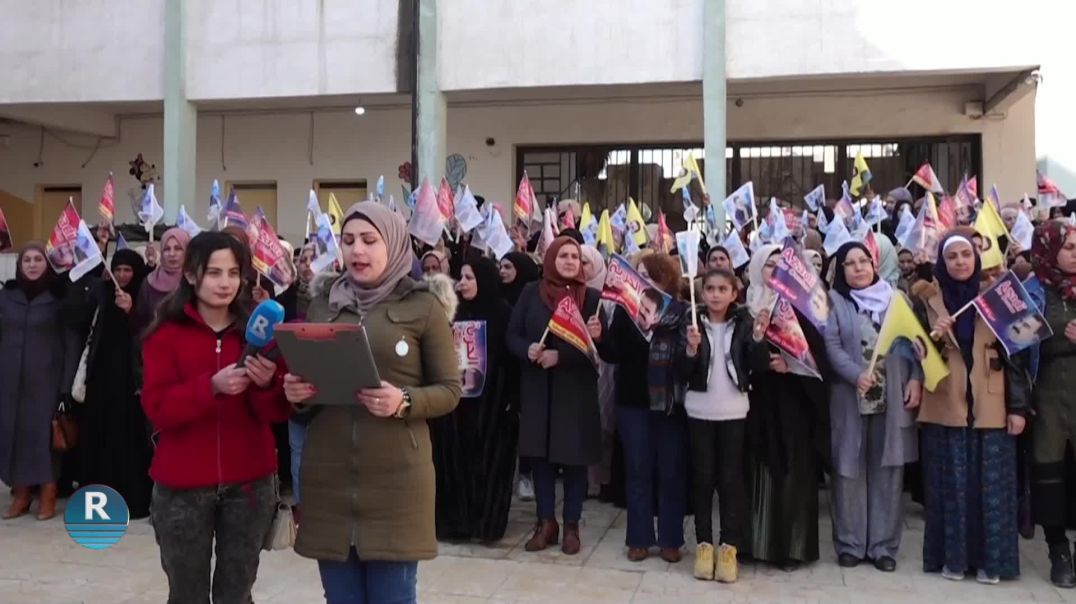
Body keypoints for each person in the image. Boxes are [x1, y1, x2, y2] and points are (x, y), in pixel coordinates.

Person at [286, 202, 461, 604]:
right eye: (348, 241)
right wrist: (297, 395)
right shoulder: (323, 304)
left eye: (369, 240)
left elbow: (450, 390)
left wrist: (403, 401)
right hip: (328, 480)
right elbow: (311, 388)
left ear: (395, 244)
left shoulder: (423, 306)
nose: (357, 251)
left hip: (396, 482)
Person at [141, 232, 289, 603]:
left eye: (234, 273)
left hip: (250, 484)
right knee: (186, 592)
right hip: (182, 487)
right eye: (214, 273)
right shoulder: (164, 335)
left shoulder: (260, 335)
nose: (225, 283)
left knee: (236, 592)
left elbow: (277, 412)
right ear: (191, 275)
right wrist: (211, 387)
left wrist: (267, 383)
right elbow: (158, 407)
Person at [912, 231, 1029, 584]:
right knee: (951, 486)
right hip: (946, 402)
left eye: (966, 255)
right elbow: (913, 349)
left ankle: (992, 563)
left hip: (992, 403)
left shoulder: (1000, 296)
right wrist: (934, 335)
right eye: (952, 257)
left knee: (991, 490)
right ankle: (953, 559)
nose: (960, 262)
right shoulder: (927, 298)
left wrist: (1019, 408)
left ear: (976, 258)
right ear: (942, 263)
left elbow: (1019, 355)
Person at [824, 242, 922, 572]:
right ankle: (850, 543)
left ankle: (883, 546)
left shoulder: (896, 299)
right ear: (841, 271)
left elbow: (914, 343)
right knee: (848, 471)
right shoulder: (835, 302)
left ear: (873, 264)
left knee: (888, 472)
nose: (858, 268)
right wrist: (855, 375)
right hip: (851, 397)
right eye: (849, 263)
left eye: (863, 261)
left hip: (890, 397)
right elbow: (832, 345)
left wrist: (915, 378)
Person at [507, 236, 602, 555]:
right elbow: (512, 335)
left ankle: (571, 524)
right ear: (550, 259)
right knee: (541, 458)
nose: (570, 261)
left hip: (574, 392)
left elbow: (598, 352)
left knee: (573, 460)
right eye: (563, 255)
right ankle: (545, 522)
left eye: (575, 256)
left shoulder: (590, 298)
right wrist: (527, 349)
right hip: (538, 389)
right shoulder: (530, 294)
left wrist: (562, 357)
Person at [597, 253, 689, 563]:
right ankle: (639, 538)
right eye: (636, 275)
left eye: (647, 275)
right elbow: (613, 354)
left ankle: (671, 539)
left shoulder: (680, 313)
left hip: (669, 405)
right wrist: (599, 338)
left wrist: (690, 347)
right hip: (632, 401)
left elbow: (686, 362)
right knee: (637, 471)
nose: (640, 281)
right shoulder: (626, 312)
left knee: (670, 472)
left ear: (664, 279)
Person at [742, 244, 827, 570]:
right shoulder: (744, 309)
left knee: (792, 470)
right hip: (755, 402)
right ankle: (754, 543)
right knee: (755, 469)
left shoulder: (803, 311)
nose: (774, 272)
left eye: (781, 267)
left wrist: (793, 367)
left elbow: (819, 357)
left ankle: (791, 548)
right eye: (769, 266)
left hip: (793, 401)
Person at [430, 257, 517, 542]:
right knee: (456, 461)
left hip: (491, 403)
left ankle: (486, 524)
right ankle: (458, 522)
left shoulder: (502, 312)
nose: (462, 283)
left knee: (488, 463)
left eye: (469, 278)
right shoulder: (451, 312)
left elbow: (510, 358)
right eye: (461, 278)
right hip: (456, 403)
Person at [680, 268, 758, 583]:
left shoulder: (744, 323)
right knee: (702, 479)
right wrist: (690, 349)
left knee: (730, 480)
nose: (714, 294)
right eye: (709, 288)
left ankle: (728, 547)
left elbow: (757, 363)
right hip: (699, 411)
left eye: (722, 289)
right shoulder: (690, 323)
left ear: (733, 293)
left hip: (734, 412)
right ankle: (703, 545)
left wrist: (760, 339)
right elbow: (679, 371)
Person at [0, 243, 80, 520]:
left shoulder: (59, 298)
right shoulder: (7, 297)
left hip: (46, 381)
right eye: (27, 260)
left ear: (47, 265)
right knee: (14, 435)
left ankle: (47, 492)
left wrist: (66, 385)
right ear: (20, 265)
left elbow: (71, 344)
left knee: (45, 438)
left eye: (38, 260)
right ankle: (21, 494)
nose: (32, 265)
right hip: (9, 381)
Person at [79, 248, 154, 519]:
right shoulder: (101, 293)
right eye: (118, 269)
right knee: (98, 437)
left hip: (130, 382)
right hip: (101, 380)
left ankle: (131, 500)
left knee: (128, 440)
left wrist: (132, 311)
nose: (121, 275)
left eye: (127, 270)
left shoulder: (142, 297)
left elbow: (148, 333)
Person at [1029, 221, 1076, 587]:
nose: (1075, 252)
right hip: (1046, 393)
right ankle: (1058, 550)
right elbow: (1013, 345)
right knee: (1050, 474)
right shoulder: (1032, 292)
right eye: (1069, 246)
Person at [496, 250, 541, 500]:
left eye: (508, 267)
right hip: (503, 370)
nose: (502, 271)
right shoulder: (497, 296)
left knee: (526, 426)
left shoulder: (531, 298)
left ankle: (526, 474)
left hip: (525, 369)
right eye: (501, 266)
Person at [581, 244, 617, 500]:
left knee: (607, 421)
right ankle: (587, 478)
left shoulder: (610, 294)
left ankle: (606, 478)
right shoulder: (570, 292)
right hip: (579, 363)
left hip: (606, 363)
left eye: (586, 262)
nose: (581, 268)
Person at [132, 228, 191, 336]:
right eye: (167, 249)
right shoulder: (149, 282)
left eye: (178, 248)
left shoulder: (194, 282)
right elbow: (141, 321)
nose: (172, 254)